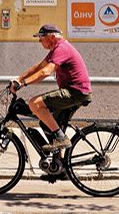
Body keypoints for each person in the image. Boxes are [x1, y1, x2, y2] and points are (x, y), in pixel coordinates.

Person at [10, 23, 91, 151]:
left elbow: (45, 72)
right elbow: (39, 67)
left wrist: (23, 84)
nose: (39, 41)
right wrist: (19, 79)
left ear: (52, 37)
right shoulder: (56, 49)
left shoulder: (62, 48)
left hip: (75, 92)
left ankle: (61, 138)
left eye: (41, 38)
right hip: (74, 92)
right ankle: (60, 166)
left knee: (34, 103)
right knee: (48, 123)